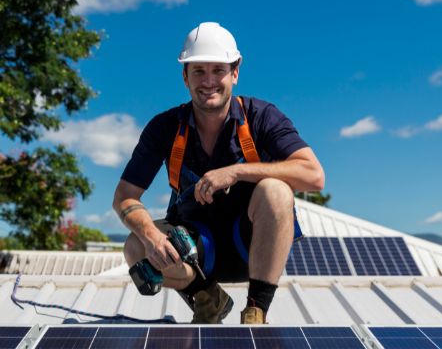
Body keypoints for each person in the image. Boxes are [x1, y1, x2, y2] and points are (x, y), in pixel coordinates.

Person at [113, 22, 324, 324]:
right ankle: (208, 298)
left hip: (250, 245)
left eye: (218, 70)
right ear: (185, 77)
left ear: (235, 72)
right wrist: (151, 237)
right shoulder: (165, 128)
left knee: (276, 191)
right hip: (198, 253)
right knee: (135, 246)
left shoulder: (261, 117)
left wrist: (236, 173)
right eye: (198, 71)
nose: (208, 81)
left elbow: (314, 175)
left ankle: (256, 311)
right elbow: (124, 196)